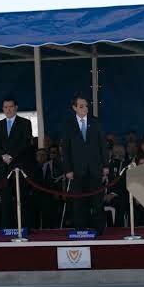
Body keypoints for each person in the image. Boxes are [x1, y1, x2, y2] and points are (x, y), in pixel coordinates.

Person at [60, 95, 109, 235]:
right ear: (74, 108)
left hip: (95, 168)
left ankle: (100, 229)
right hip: (76, 170)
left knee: (97, 200)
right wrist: (68, 169)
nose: (85, 108)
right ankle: (80, 229)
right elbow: (65, 149)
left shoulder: (96, 122)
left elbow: (103, 146)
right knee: (79, 202)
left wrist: (105, 166)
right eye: (81, 106)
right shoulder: (68, 125)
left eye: (86, 106)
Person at [0, 97, 33, 229]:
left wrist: (12, 156)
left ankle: (24, 227)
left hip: (20, 166)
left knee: (21, 199)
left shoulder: (25, 123)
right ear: (3, 109)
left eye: (11, 107)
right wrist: (2, 155)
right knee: (5, 200)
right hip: (4, 167)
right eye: (5, 107)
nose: (8, 109)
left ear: (16, 107)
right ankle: (6, 229)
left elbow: (26, 143)